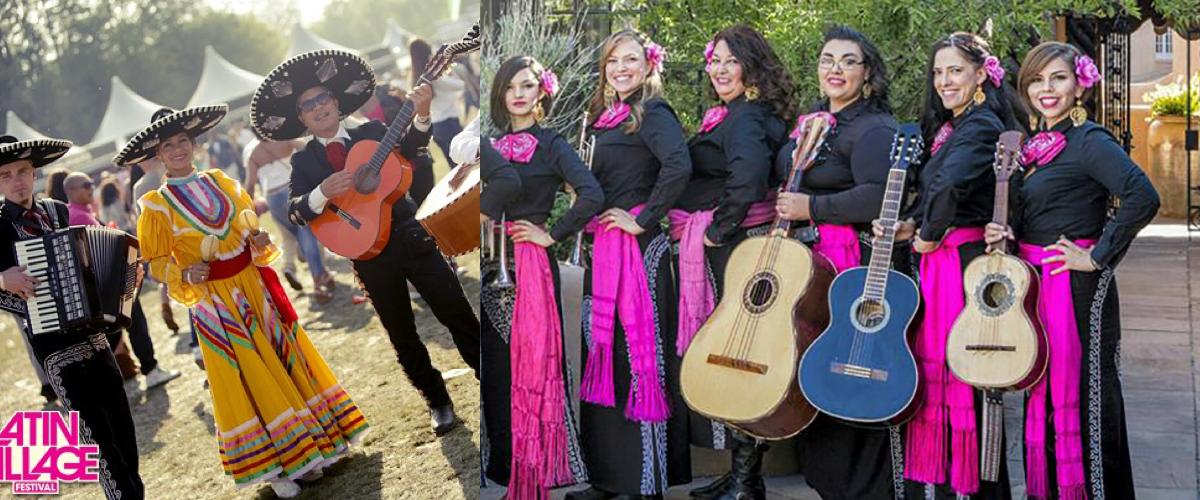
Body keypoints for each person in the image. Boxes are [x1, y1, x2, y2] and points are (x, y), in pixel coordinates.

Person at [116, 105, 370, 498]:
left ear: (195, 144)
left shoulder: (222, 181)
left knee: (281, 360)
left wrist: (260, 242)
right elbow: (156, 264)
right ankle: (277, 468)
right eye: (169, 146)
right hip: (213, 303)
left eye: (184, 141)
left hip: (253, 287)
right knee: (245, 374)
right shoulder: (155, 205)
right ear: (159, 156)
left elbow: (248, 228)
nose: (179, 149)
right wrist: (184, 274)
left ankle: (312, 450)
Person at [251, 49, 480, 435]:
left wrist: (421, 115)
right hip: (368, 257)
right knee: (402, 334)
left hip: (411, 236)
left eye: (323, 98)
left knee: (455, 310)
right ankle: (437, 401)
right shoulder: (304, 163)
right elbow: (294, 211)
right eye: (308, 105)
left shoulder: (371, 132)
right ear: (302, 118)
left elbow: (413, 151)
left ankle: (489, 376)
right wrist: (320, 193)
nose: (318, 107)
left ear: (336, 102)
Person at [984, 41, 1158, 500]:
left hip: (1078, 286)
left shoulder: (1089, 141)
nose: (1046, 89)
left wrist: (1097, 255)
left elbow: (1143, 196)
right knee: (1042, 393)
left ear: (1079, 84)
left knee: (1087, 398)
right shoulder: (1038, 147)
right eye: (1037, 80)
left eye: (1058, 78)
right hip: (1036, 286)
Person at [879, 32, 1022, 500]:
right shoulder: (956, 125)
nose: (944, 81)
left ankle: (973, 488)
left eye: (955, 70)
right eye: (938, 72)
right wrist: (909, 226)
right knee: (946, 367)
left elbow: (949, 189)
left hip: (959, 265)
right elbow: (937, 190)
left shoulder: (980, 125)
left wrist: (926, 235)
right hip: (945, 259)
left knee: (964, 370)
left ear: (982, 74)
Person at [773, 25, 907, 500]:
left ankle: (863, 486)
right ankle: (828, 482)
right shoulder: (814, 122)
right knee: (812, 365)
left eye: (848, 61)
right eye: (828, 59)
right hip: (807, 266)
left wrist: (813, 208)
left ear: (866, 73)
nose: (835, 68)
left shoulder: (874, 129)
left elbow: (877, 196)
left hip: (853, 269)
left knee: (846, 368)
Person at [565, 30, 693, 500]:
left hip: (640, 253)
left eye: (631, 59)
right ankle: (610, 476)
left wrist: (644, 218)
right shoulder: (603, 117)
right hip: (605, 248)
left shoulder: (653, 112)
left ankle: (646, 480)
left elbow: (678, 167)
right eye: (613, 60)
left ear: (648, 65)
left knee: (642, 360)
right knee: (606, 355)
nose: (621, 68)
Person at [671, 25, 790, 500]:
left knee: (741, 357)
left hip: (738, 251)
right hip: (739, 246)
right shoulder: (740, 114)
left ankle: (745, 482)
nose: (719, 69)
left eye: (730, 60)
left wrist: (717, 233)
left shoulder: (745, 118)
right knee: (740, 355)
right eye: (714, 60)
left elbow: (748, 179)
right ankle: (743, 475)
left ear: (751, 66)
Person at [480, 54, 604, 499]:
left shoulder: (552, 144)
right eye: (510, 86)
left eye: (527, 85)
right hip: (491, 264)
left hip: (531, 265)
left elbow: (590, 193)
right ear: (500, 94)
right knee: (498, 370)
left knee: (533, 364)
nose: (518, 94)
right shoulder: (487, 145)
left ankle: (537, 469)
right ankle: (505, 467)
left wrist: (552, 233)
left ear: (541, 93)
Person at [0, 135, 145, 499]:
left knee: (124, 431)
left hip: (95, 337)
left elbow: (87, 267)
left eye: (21, 171)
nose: (16, 180)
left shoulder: (57, 211)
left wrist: (125, 277)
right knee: (100, 443)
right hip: (54, 349)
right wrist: (3, 278)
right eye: (5, 175)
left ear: (34, 173)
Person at [65, 171, 182, 391]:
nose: (92, 187)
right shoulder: (78, 216)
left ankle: (132, 373)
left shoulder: (81, 212)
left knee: (116, 328)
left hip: (105, 285)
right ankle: (151, 369)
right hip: (108, 285)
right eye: (86, 185)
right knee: (135, 322)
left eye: (92, 183)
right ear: (71, 191)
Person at [243, 135, 335, 305]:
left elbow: (249, 185)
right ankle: (318, 283)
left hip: (272, 198)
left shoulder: (253, 153)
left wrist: (248, 211)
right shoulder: (284, 138)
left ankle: (322, 273)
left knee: (298, 236)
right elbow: (305, 148)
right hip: (292, 190)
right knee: (307, 233)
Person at [410, 38, 467, 170]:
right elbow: (459, 86)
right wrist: (451, 73)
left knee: (454, 166)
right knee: (465, 163)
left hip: (435, 126)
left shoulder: (416, 78)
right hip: (449, 122)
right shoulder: (434, 75)